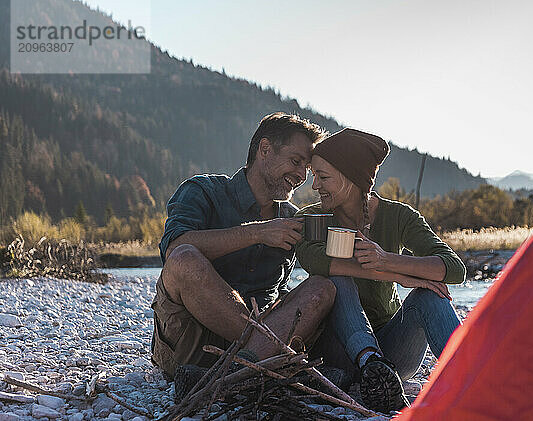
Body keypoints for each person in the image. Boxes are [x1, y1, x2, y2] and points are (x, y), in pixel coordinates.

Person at [151, 112, 336, 401]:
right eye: (296, 161)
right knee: (185, 258)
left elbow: (283, 290)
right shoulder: (202, 190)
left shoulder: (291, 219)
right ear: (265, 150)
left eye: (307, 168)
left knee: (322, 287)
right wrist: (258, 233)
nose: (302, 175)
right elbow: (174, 251)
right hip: (191, 345)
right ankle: (269, 367)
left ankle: (232, 377)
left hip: (258, 338)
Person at [295, 128, 466, 413]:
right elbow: (314, 261)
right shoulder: (312, 218)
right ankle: (369, 362)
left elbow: (453, 268)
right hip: (336, 351)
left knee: (430, 297)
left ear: (352, 178)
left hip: (393, 352)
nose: (314, 186)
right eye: (314, 176)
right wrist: (405, 277)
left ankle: (471, 377)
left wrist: (387, 260)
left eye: (323, 177)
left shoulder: (399, 216)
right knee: (336, 276)